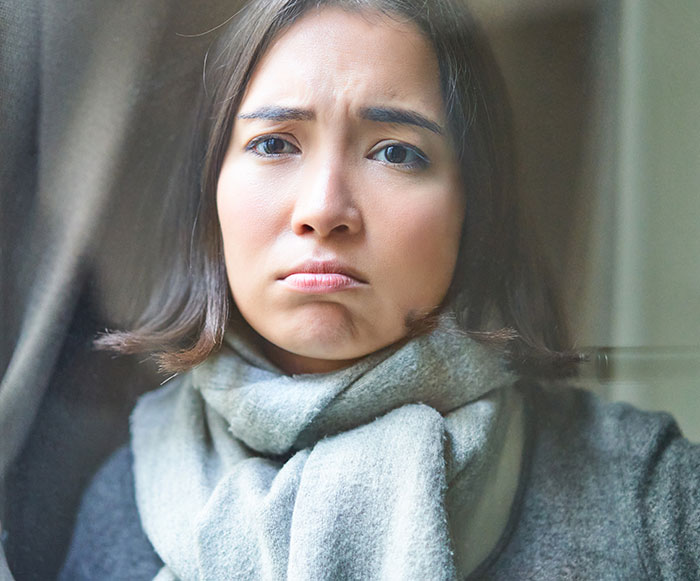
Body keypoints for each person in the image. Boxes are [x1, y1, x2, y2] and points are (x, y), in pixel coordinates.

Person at [59, 0, 700, 579]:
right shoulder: (122, 501)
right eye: (275, 143)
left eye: (395, 152)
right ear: (211, 195)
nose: (324, 208)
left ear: (474, 209)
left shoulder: (647, 491)